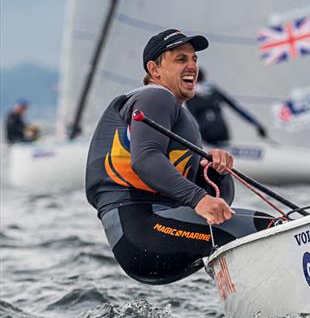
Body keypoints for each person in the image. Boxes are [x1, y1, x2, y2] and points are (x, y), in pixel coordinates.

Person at [85, 29, 269, 285]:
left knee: (240, 229)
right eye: (181, 59)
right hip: (143, 228)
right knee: (270, 227)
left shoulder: (179, 117)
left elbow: (217, 203)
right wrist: (199, 199)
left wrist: (214, 171)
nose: (192, 66)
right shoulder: (155, 96)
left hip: (143, 242)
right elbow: (145, 159)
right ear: (154, 69)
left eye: (194, 59)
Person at [186, 70, 268, 145]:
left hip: (207, 136)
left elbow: (188, 117)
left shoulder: (189, 94)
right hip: (221, 134)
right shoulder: (213, 90)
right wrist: (256, 124)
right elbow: (237, 109)